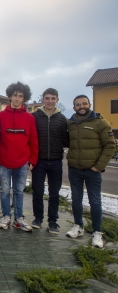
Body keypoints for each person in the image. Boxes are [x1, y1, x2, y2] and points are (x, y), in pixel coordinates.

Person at [66, 95, 115, 248]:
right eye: (78, 104)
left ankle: (97, 232)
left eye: (84, 104)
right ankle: (78, 226)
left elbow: (110, 146)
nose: (81, 106)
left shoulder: (100, 123)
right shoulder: (70, 124)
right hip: (74, 169)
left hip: (93, 170)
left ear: (89, 104)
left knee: (95, 201)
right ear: (74, 107)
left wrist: (98, 166)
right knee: (76, 200)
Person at [0, 82, 38, 232]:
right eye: (15, 95)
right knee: (4, 191)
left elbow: (33, 140)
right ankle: (6, 216)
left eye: (20, 96)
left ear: (24, 98)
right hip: (3, 163)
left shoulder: (29, 118)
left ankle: (19, 218)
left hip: (22, 163)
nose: (17, 98)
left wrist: (33, 160)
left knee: (18, 191)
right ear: (10, 96)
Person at [31, 88, 69, 234]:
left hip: (55, 161)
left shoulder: (62, 119)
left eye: (53, 98)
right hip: (38, 161)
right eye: (47, 98)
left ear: (57, 100)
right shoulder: (34, 117)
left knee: (54, 193)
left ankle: (52, 221)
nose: (50, 101)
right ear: (43, 99)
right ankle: (38, 219)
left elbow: (66, 140)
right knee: (37, 192)